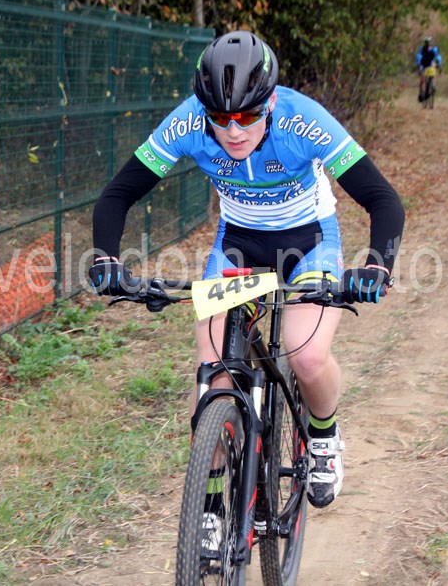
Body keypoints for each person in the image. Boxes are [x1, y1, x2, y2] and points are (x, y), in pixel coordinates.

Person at [89, 30, 405, 509]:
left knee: (307, 356)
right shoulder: (188, 123)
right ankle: (211, 506)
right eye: (220, 118)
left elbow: (383, 200)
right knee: (213, 375)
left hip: (309, 243)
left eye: (248, 116)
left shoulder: (303, 120)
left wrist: (377, 265)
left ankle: (323, 437)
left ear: (270, 102)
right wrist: (105, 257)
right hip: (238, 246)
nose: (234, 131)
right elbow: (118, 194)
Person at [416, 36, 442, 101]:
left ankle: (433, 85)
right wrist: (419, 64)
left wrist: (439, 64)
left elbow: (438, 56)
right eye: (426, 43)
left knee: (433, 70)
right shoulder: (422, 50)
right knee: (422, 79)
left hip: (430, 64)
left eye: (429, 43)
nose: (428, 44)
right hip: (423, 65)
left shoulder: (434, 49)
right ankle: (420, 93)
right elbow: (419, 56)